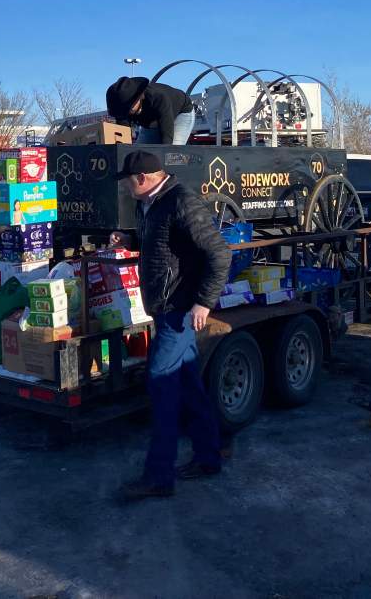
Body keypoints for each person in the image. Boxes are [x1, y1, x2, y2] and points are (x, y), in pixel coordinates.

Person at [112, 150, 233, 500]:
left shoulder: (181, 201)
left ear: (142, 179)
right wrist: (130, 241)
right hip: (165, 307)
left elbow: (219, 253)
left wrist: (203, 302)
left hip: (178, 311)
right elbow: (164, 245)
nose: (124, 188)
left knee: (161, 388)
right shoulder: (149, 204)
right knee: (190, 387)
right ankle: (208, 457)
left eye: (127, 181)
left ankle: (158, 476)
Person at [105, 76, 196, 145]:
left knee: (171, 154)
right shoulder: (122, 110)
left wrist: (165, 156)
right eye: (123, 110)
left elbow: (167, 135)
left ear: (140, 97)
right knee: (141, 153)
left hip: (180, 113)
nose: (127, 113)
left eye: (129, 107)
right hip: (151, 122)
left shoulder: (159, 98)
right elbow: (123, 138)